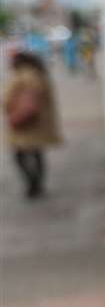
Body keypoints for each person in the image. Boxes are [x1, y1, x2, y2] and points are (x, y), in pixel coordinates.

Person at [4, 51, 62, 199]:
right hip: (37, 123)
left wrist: (17, 116)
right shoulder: (36, 73)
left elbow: (29, 103)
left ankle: (33, 184)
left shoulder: (26, 76)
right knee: (36, 153)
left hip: (28, 124)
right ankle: (36, 184)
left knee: (20, 155)